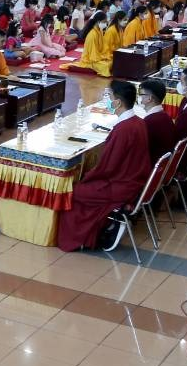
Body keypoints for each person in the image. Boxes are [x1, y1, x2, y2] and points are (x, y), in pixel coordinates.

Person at [55, 81, 151, 252]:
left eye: (109, 96)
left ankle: (81, 238)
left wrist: (87, 177)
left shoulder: (123, 129)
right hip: (134, 180)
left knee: (73, 191)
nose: (107, 100)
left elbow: (107, 168)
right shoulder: (138, 121)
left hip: (120, 186)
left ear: (118, 102)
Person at [138, 79, 176, 165]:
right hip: (164, 166)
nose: (139, 97)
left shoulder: (148, 122)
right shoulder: (166, 116)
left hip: (151, 165)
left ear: (149, 98)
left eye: (141, 94)